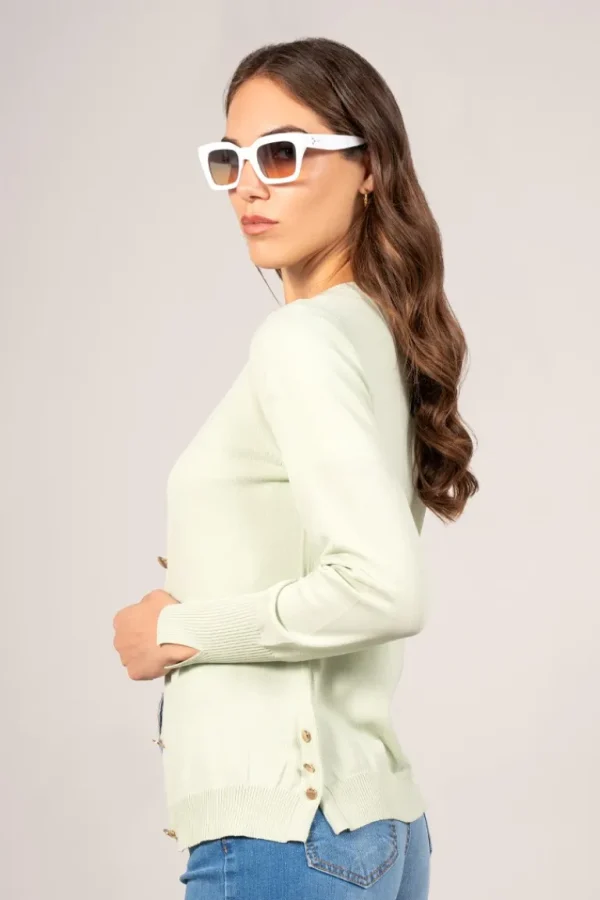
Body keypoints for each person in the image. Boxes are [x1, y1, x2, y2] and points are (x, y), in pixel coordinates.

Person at [113, 36, 478, 900]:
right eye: (231, 159)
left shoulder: (302, 338)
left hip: (287, 833)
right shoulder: (374, 336)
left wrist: (179, 629)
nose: (249, 185)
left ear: (369, 166)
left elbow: (384, 590)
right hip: (371, 827)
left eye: (282, 153)